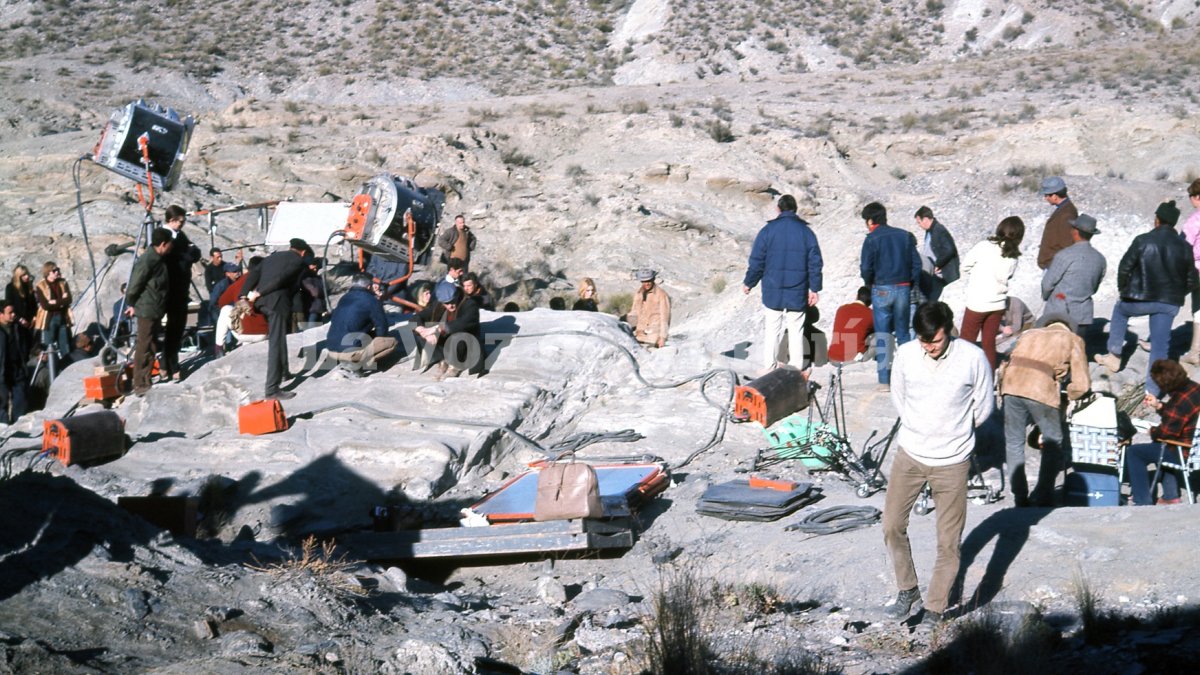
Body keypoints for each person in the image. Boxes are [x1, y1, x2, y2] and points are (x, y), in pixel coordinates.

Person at [882, 301, 994, 625]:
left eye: (936, 341)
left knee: (948, 540)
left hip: (953, 461)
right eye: (923, 341)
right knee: (891, 525)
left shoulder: (972, 358)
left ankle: (934, 606)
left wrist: (954, 431)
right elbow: (898, 396)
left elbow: (984, 406)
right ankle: (908, 589)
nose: (929, 347)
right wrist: (920, 427)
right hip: (911, 453)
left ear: (949, 332)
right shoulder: (905, 355)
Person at [1095, 201, 1197, 399]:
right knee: (1160, 346)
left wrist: (1123, 290)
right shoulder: (1184, 247)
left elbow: (1125, 268)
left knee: (1120, 310)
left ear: (1157, 219)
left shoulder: (1143, 240)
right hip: (1168, 304)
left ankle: (1114, 355)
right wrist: (1176, 295)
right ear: (1174, 223)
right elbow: (1192, 281)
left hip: (1139, 299)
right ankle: (1152, 391)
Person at [998, 313, 1090, 507]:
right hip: (1040, 389)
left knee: (1014, 442)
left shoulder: (1029, 334)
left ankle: (1019, 495)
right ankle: (1043, 494)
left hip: (1010, 385)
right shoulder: (1072, 339)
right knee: (1053, 442)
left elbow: (1008, 358)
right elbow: (1081, 384)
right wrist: (1069, 396)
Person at [743, 194, 824, 371]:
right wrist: (815, 289)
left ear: (778, 209)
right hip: (798, 289)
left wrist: (749, 282)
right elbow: (815, 263)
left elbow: (757, 261)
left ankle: (769, 367)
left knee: (772, 330)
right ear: (795, 210)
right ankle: (795, 369)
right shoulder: (806, 233)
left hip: (773, 289)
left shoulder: (767, 231)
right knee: (796, 330)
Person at [859, 201, 919, 390]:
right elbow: (916, 265)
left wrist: (869, 283)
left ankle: (884, 380)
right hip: (903, 287)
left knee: (884, 334)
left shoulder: (871, 239)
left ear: (870, 220)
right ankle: (908, 375)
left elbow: (865, 268)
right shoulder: (904, 236)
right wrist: (910, 283)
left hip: (881, 288)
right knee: (903, 333)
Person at [1124, 360, 1200, 505]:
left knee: (1135, 452)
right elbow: (1179, 416)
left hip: (1182, 451)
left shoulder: (1179, 401)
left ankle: (1142, 499)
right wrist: (1159, 405)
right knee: (1161, 446)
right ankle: (1171, 496)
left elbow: (1166, 433)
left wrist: (1150, 430)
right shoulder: (1194, 388)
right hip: (1194, 448)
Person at [242, 238, 309, 400]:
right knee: (276, 343)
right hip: (276, 304)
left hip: (262, 303)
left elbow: (254, 274)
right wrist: (261, 292)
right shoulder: (298, 261)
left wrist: (244, 294)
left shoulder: (272, 257)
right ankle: (271, 389)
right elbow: (281, 280)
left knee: (279, 338)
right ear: (303, 252)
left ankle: (284, 372)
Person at [958, 216, 1025, 370]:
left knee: (966, 343)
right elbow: (1008, 276)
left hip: (978, 302)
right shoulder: (1013, 256)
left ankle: (963, 375)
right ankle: (988, 378)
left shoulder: (983, 246)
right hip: (997, 304)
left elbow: (965, 266)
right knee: (989, 344)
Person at [1041, 214, 1106, 340]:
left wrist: (1046, 297)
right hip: (1083, 315)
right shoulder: (1100, 259)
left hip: (1059, 313)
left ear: (1075, 232)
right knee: (1076, 352)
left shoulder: (1064, 255)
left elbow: (1047, 284)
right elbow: (1095, 287)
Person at [124, 228, 172, 397]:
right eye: (169, 244)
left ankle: (146, 378)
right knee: (144, 345)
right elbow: (135, 284)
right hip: (146, 308)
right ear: (163, 244)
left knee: (151, 344)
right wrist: (131, 303)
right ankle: (140, 383)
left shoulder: (158, 258)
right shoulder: (148, 260)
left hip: (154, 307)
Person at [326, 274, 397, 374]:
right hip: (348, 352)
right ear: (369, 287)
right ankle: (357, 364)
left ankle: (351, 359)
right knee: (392, 342)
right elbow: (382, 329)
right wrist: (378, 302)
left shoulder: (344, 297)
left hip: (331, 349)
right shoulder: (371, 301)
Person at [161, 205, 201, 382]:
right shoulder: (164, 237)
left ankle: (166, 363)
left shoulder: (179, 236)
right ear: (172, 220)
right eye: (181, 222)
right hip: (171, 288)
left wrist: (188, 253)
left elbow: (195, 253)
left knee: (176, 329)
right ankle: (171, 365)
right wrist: (187, 254)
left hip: (180, 287)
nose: (182, 225)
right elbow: (178, 259)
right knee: (173, 329)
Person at [415, 281, 483, 380]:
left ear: (457, 295)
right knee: (420, 331)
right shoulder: (438, 305)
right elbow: (418, 317)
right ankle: (443, 361)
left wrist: (437, 328)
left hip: (466, 344)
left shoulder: (469, 304)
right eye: (446, 303)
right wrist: (421, 330)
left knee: (458, 335)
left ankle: (456, 365)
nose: (450, 306)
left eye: (452, 301)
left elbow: (463, 323)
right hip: (447, 343)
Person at [214, 257, 267, 355]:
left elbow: (221, 302)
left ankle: (219, 347)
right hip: (265, 333)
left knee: (226, 310)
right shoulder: (269, 280)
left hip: (243, 332)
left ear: (249, 268)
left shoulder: (241, 281)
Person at [914, 206, 960, 303]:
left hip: (941, 274)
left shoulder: (939, 230)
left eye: (919, 222)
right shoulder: (930, 231)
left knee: (933, 301)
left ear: (925, 219)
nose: (919, 225)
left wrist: (938, 264)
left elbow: (949, 250)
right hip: (935, 273)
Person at [1036, 176, 1078, 270]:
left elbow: (1066, 244)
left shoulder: (1067, 214)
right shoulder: (1064, 210)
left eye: (1047, 195)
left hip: (1055, 267)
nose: (1045, 198)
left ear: (1054, 196)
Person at [1179, 180, 1200, 364]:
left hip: (1197, 269)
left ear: (1197, 197)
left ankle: (1195, 351)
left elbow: (1184, 246)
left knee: (1198, 308)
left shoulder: (1195, 220)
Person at [33, 261, 72, 359]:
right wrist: (62, 301)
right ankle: (51, 367)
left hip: (63, 317)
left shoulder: (63, 282)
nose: (57, 272)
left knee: (65, 345)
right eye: (54, 270)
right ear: (48, 272)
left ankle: (66, 366)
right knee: (48, 346)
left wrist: (55, 302)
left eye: (57, 270)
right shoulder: (40, 286)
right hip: (49, 319)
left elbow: (69, 299)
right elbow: (45, 305)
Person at [827, 286, 874, 364]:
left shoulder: (841, 309)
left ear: (857, 296)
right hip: (852, 360)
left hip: (833, 358)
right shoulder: (870, 314)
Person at [627, 269, 671, 348]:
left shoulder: (661, 295)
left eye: (649, 281)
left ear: (653, 280)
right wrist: (628, 330)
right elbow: (634, 313)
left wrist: (663, 337)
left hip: (654, 336)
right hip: (639, 335)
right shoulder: (638, 294)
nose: (646, 283)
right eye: (644, 281)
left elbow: (665, 318)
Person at [0, 302, 29, 423]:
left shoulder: (18, 328)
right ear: (1, 314)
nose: (13, 315)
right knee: (2, 402)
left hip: (17, 368)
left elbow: (28, 343)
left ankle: (19, 425)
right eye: (10, 313)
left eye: (14, 312)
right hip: (1, 371)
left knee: (20, 399)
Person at [5, 265, 37, 362]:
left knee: (30, 346)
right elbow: (9, 305)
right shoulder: (11, 287)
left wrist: (34, 317)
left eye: (27, 274)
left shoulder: (28, 287)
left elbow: (33, 304)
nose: (27, 277)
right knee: (21, 347)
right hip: (18, 322)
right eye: (24, 275)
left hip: (30, 322)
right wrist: (19, 319)